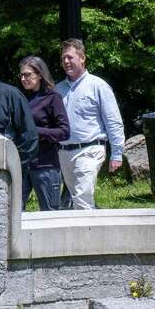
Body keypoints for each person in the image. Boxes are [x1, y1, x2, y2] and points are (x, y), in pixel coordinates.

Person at [55, 39, 127, 210]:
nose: (66, 62)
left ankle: (86, 235)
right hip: (64, 153)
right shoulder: (58, 90)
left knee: (82, 197)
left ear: (82, 58)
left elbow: (113, 121)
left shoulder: (98, 86)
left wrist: (117, 153)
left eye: (70, 57)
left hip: (90, 149)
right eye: (63, 58)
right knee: (78, 198)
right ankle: (99, 226)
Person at [18, 56, 70, 211]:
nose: (23, 78)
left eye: (27, 75)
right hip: (23, 164)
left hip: (46, 165)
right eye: (21, 75)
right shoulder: (22, 98)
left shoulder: (52, 97)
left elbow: (64, 132)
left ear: (40, 74)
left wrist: (35, 131)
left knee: (49, 214)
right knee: (14, 210)